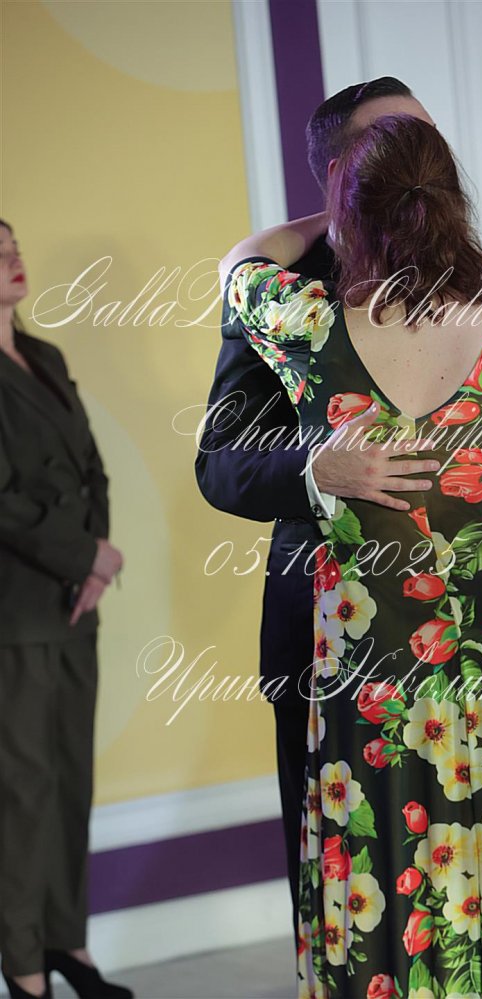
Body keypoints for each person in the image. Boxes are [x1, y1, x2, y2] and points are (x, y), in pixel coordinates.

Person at [195, 76, 482, 948]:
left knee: (441, 881)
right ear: (340, 171)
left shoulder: (301, 318)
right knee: (387, 877)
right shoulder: (480, 328)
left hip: (440, 660)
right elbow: (219, 465)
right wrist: (315, 468)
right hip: (340, 645)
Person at [0, 220, 132, 999]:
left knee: (70, 778)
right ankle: (24, 967)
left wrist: (95, 560)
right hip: (14, 612)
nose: (12, 259)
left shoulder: (43, 357)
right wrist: (85, 554)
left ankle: (65, 943)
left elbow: (92, 470)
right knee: (21, 791)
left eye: (12, 246)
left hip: (74, 603)